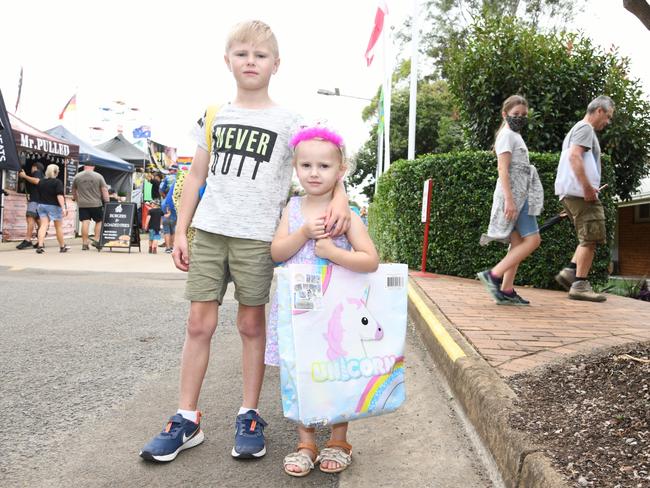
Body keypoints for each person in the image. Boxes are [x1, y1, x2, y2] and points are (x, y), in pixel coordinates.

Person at [139, 20, 351, 463]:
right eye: (242, 54)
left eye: (259, 56)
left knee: (252, 326)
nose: (250, 62)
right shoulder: (215, 114)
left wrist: (343, 198)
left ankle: (249, 414)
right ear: (228, 61)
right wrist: (181, 229)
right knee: (199, 324)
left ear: (276, 64)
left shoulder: (289, 120)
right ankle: (185, 418)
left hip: (258, 237)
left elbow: (326, 158)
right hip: (211, 231)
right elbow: (196, 175)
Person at [266, 126, 379, 477]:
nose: (314, 173)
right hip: (299, 313)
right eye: (307, 165)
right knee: (301, 374)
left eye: (324, 166)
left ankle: (339, 440)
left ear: (340, 170)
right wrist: (302, 233)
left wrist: (332, 251)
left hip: (333, 314)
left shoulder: (346, 214)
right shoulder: (294, 208)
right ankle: (306, 442)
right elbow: (276, 253)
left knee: (335, 373)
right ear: (296, 168)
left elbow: (370, 260)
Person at [477, 95, 543, 305]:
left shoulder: (514, 136)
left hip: (519, 194)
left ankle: (506, 289)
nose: (520, 118)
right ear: (505, 114)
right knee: (533, 240)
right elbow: (502, 169)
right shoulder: (507, 136)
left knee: (517, 243)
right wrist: (510, 200)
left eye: (524, 115)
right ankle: (493, 275)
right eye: (516, 115)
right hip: (516, 196)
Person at [554, 96, 614, 302]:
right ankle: (579, 285)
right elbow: (574, 157)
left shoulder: (576, 130)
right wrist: (588, 188)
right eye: (608, 116)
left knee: (586, 238)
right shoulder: (585, 129)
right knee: (591, 238)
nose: (608, 121)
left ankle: (571, 272)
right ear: (599, 110)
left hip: (572, 194)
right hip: (581, 195)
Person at [31, 164, 69, 253]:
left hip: (41, 205)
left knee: (43, 225)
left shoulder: (41, 182)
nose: (59, 172)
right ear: (55, 172)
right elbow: (59, 195)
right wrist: (63, 208)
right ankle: (62, 246)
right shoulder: (57, 182)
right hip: (54, 206)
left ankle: (40, 245)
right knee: (58, 227)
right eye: (58, 170)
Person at [71, 164, 109, 251]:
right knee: (99, 221)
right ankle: (96, 239)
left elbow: (73, 190)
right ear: (93, 167)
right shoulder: (99, 176)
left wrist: (77, 199)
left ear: (84, 167)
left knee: (85, 222)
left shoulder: (77, 176)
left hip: (83, 204)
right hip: (96, 204)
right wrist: (107, 201)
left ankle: (84, 243)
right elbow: (104, 189)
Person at [16, 161, 44, 249]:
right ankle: (41, 241)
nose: (31, 170)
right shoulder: (43, 175)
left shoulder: (37, 172)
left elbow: (36, 181)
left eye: (32, 168)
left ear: (34, 167)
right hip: (40, 201)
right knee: (39, 221)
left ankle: (28, 240)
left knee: (30, 218)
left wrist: (24, 176)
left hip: (35, 200)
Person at [161, 187, 176, 253]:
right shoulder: (172, 200)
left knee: (166, 233)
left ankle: (167, 248)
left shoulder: (163, 201)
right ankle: (172, 247)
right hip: (173, 217)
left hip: (165, 218)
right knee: (173, 232)